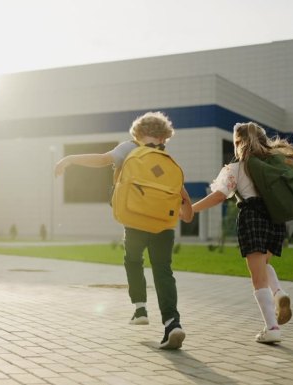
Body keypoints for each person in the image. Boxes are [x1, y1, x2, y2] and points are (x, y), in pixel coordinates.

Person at [54, 111, 194, 350]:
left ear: (138, 133)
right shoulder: (165, 157)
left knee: (132, 260)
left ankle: (140, 308)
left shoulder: (129, 148)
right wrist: (187, 212)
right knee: (163, 272)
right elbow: (182, 197)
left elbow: (101, 159)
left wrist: (70, 159)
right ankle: (173, 323)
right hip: (163, 225)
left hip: (136, 221)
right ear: (164, 137)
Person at [191, 122, 293, 344]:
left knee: (257, 276)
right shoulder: (273, 164)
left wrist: (192, 209)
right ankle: (279, 294)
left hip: (252, 217)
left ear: (238, 142)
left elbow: (220, 195)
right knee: (264, 267)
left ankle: (272, 327)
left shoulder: (236, 168)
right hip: (275, 218)